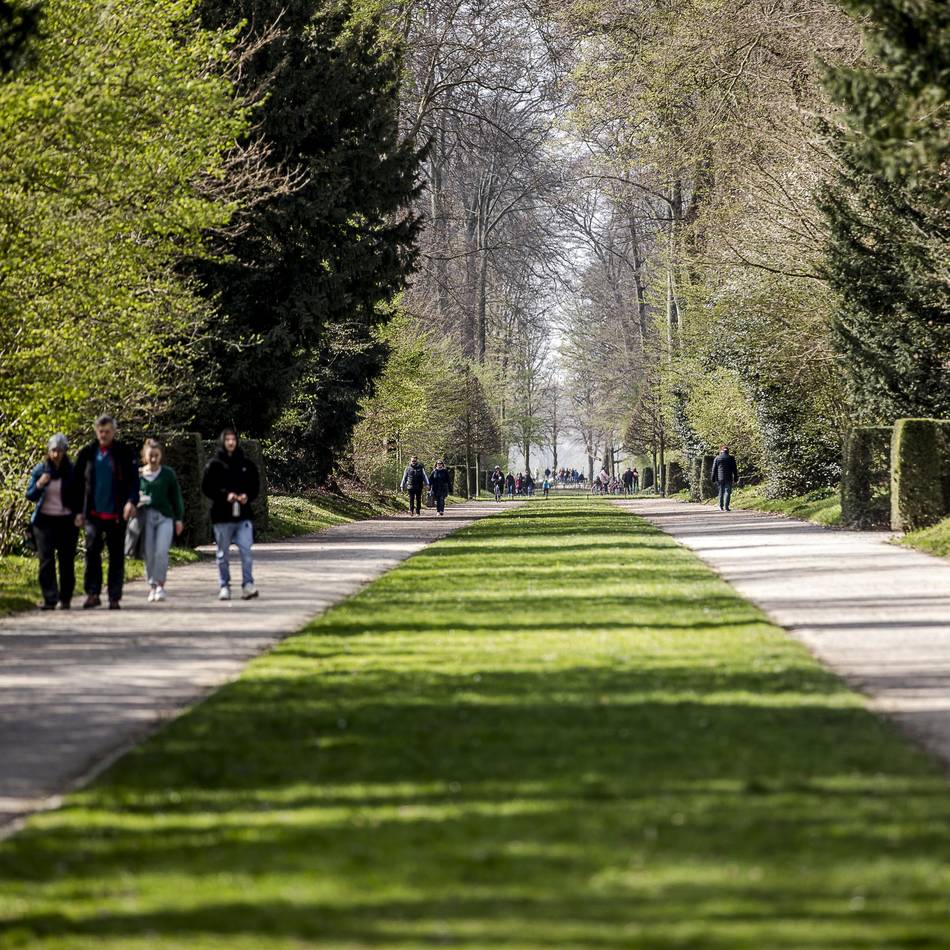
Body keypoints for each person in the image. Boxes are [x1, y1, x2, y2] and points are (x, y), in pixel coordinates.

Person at [72, 415, 139, 610]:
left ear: (114, 432)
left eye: (108, 431)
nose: (104, 435)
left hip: (117, 513)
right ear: (96, 431)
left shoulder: (124, 452)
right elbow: (76, 484)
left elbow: (134, 480)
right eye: (101, 431)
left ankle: (114, 596)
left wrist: (131, 502)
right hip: (93, 513)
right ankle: (93, 593)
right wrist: (77, 511)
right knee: (92, 551)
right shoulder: (87, 453)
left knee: (116, 555)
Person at [202, 428, 261, 600]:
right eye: (227, 439)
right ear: (223, 441)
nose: (230, 442)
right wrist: (224, 495)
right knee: (223, 555)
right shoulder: (213, 465)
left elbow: (255, 487)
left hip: (243, 516)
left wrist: (246, 496)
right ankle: (224, 585)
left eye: (233, 439)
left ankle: (248, 584)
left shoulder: (246, 465)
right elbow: (207, 488)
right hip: (222, 516)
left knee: (246, 552)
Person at [25, 434, 79, 610]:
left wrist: (80, 514)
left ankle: (66, 598)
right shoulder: (41, 470)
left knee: (66, 560)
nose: (56, 454)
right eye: (53, 450)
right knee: (46, 560)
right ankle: (50, 598)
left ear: (65, 451)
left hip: (66, 521)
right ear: (48, 451)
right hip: (44, 521)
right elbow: (30, 495)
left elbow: (82, 496)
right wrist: (40, 484)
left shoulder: (72, 471)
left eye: (60, 450)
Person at [138, 439, 185, 603]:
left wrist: (179, 519)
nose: (153, 459)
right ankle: (152, 585)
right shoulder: (140, 475)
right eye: (150, 455)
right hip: (146, 518)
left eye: (156, 455)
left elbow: (176, 498)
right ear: (145, 456)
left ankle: (160, 585)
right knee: (149, 553)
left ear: (160, 456)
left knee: (161, 551)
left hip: (165, 517)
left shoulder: (167, 474)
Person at [711, 445, 739, 511]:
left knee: (721, 491)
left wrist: (713, 478)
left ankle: (721, 506)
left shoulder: (717, 458)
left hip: (720, 478)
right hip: (729, 477)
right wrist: (735, 478)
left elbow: (714, 469)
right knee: (727, 492)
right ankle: (726, 506)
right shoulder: (731, 458)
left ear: (721, 451)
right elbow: (734, 469)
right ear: (728, 451)